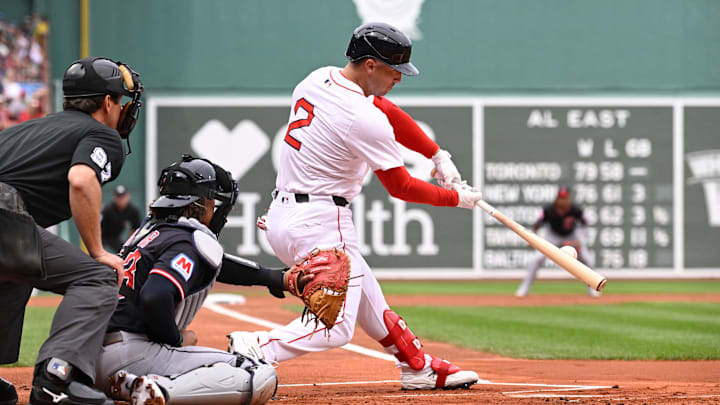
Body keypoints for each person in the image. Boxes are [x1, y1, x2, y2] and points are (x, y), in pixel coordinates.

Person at [229, 22, 483, 390]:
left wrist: (436, 154)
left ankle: (416, 366)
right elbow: (401, 187)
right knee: (336, 327)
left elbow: (386, 109)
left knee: (367, 294)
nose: (399, 77)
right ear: (369, 64)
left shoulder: (318, 79)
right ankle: (257, 349)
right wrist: (455, 198)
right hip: (321, 221)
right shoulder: (362, 119)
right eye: (394, 69)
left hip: (286, 217)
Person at [0, 56, 143, 405]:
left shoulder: (25, 130)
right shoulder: (101, 134)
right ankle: (57, 379)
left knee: (14, 274)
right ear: (107, 102)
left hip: (10, 224)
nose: (123, 109)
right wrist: (96, 250)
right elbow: (81, 180)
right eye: (121, 101)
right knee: (97, 277)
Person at [96, 155, 289, 405]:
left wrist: (274, 278)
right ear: (203, 203)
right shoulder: (188, 238)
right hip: (132, 352)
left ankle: (128, 384)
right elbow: (155, 296)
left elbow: (214, 261)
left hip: (93, 355)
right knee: (258, 373)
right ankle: (159, 390)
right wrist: (175, 339)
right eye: (213, 200)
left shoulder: (151, 231)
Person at [515, 186, 599, 297]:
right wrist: (531, 239)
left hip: (571, 235)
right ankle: (524, 288)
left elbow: (585, 224)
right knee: (536, 259)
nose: (563, 200)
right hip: (552, 236)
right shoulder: (548, 209)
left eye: (565, 198)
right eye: (560, 198)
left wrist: (580, 239)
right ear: (557, 199)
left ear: (569, 198)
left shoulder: (576, 210)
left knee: (587, 260)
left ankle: (592, 288)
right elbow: (538, 224)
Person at [101, 184, 141, 253]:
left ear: (128, 196)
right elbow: (98, 227)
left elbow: (135, 229)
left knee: (125, 252)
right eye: (118, 197)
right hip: (102, 237)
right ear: (114, 198)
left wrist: (129, 244)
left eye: (123, 197)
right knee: (95, 254)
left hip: (115, 237)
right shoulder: (108, 210)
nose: (121, 200)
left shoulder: (133, 210)